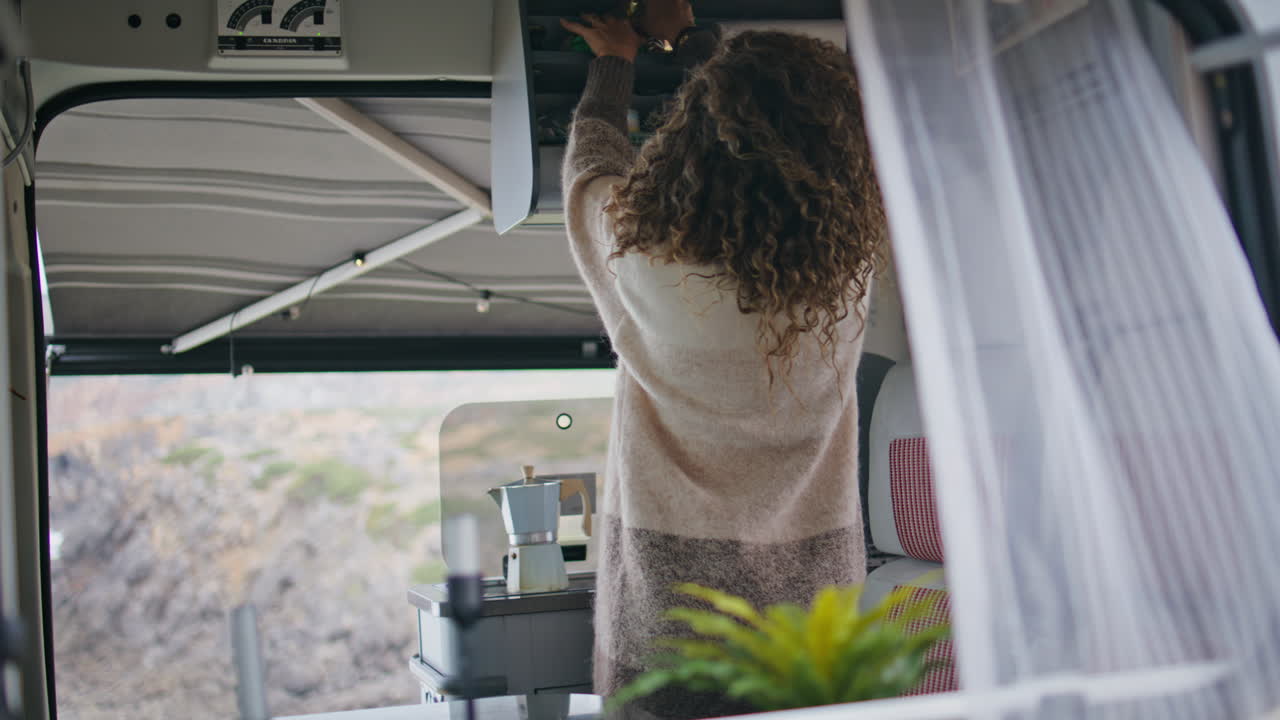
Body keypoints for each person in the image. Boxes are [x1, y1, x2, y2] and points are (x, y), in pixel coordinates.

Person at [560, 5, 886, 718]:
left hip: (671, 612)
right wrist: (692, 40)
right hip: (813, 615)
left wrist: (616, 61)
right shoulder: (848, 270)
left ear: (694, 139)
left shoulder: (640, 259)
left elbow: (590, 169)